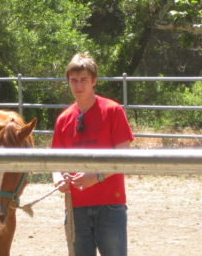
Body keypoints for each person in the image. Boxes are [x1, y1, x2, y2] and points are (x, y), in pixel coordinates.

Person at [51, 52, 134, 256]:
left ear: (94, 81)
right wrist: (58, 179)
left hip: (110, 205)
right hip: (76, 207)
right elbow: (56, 162)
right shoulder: (63, 119)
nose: (78, 86)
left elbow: (123, 156)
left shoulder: (112, 111)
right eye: (74, 81)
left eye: (83, 80)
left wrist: (96, 176)